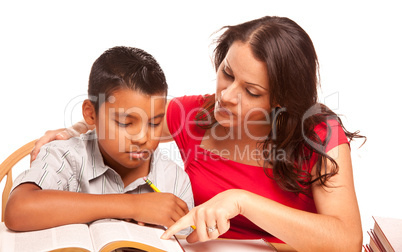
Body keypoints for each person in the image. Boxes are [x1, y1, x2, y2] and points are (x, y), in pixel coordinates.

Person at [30, 16, 365, 251]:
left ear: (281, 100)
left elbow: (346, 240)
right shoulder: (194, 114)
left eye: (251, 91)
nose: (227, 95)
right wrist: (73, 129)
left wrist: (242, 201)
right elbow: (124, 119)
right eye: (227, 73)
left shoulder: (319, 132)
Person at [4, 46, 193, 235]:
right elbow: (17, 210)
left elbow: (185, 243)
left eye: (154, 123)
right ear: (90, 114)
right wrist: (131, 206)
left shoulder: (174, 180)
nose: (143, 138)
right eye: (125, 123)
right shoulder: (66, 157)